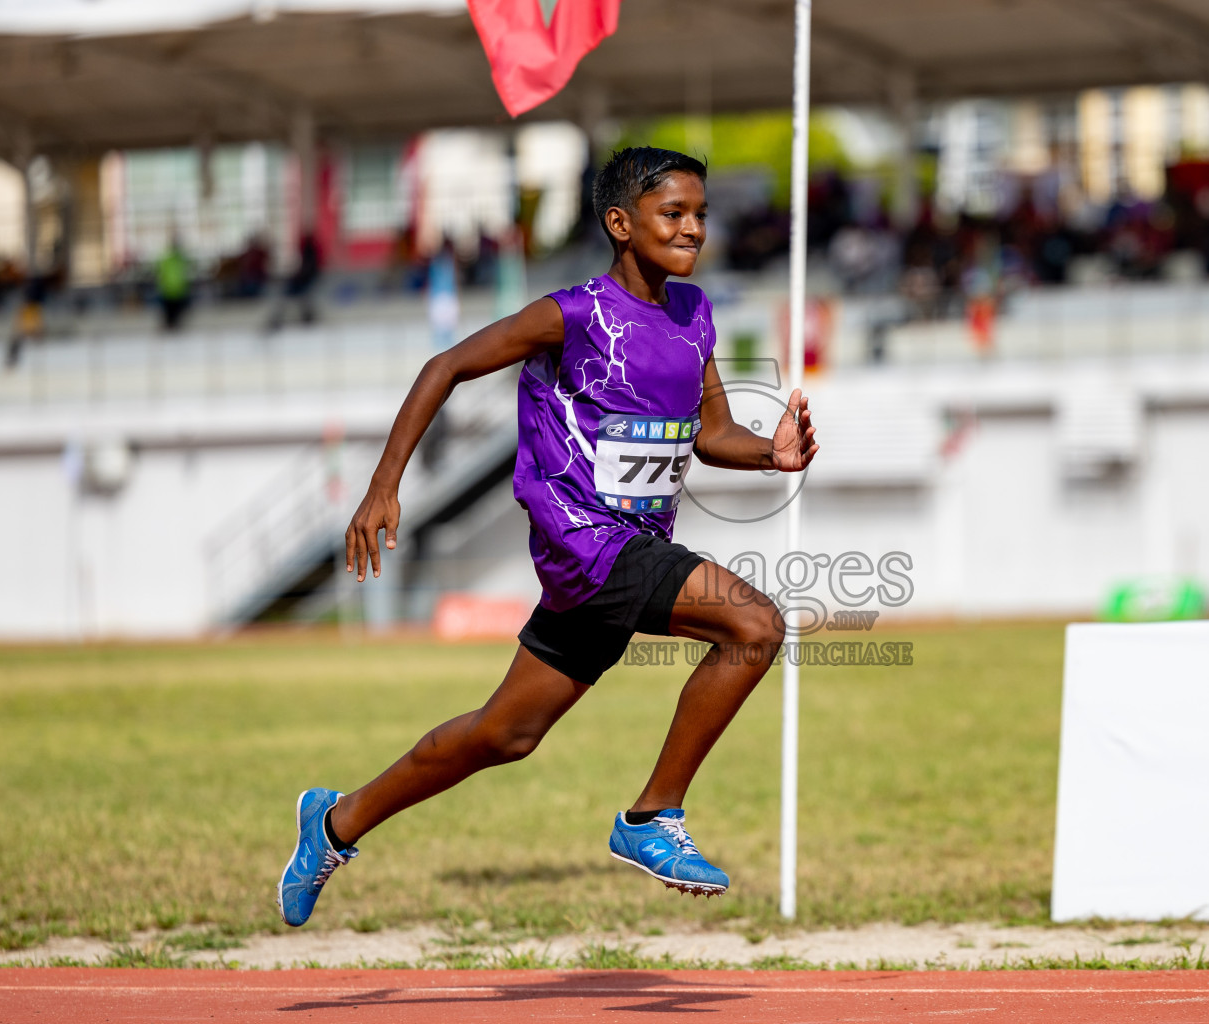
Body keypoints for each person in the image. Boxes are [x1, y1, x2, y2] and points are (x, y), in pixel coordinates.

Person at [277, 148, 820, 927]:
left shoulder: (694, 314)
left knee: (505, 734)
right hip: (585, 541)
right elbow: (445, 366)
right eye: (675, 214)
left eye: (701, 213)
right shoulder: (572, 314)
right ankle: (651, 817)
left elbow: (713, 433)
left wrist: (772, 452)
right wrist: (383, 484)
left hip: (622, 553)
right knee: (755, 622)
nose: (694, 228)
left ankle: (333, 823)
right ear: (621, 224)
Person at [156, 235, 191, 332]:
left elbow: (159, 273)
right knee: (172, 311)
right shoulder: (176, 259)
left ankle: (172, 325)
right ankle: (171, 325)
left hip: (175, 289)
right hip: (172, 290)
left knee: (174, 311)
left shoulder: (176, 259)